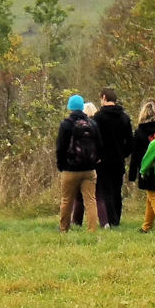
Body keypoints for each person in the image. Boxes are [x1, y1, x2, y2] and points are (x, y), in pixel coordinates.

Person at [55, 94, 103, 233]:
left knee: (66, 200)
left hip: (70, 169)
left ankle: (64, 229)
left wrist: (61, 165)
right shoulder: (92, 124)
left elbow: (60, 147)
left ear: (70, 107)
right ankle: (92, 230)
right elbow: (100, 145)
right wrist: (96, 161)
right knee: (90, 200)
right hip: (89, 169)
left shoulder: (66, 125)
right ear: (82, 107)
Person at [93, 87, 133, 227]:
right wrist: (123, 153)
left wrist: (97, 156)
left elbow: (95, 139)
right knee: (117, 190)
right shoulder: (124, 117)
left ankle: (110, 219)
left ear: (104, 97)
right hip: (118, 160)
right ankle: (117, 219)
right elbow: (130, 140)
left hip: (103, 160)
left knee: (106, 190)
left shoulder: (98, 117)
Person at [128, 101, 155, 233]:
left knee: (154, 198)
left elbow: (136, 155)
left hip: (147, 169)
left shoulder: (140, 132)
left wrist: (132, 174)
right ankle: (146, 226)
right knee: (150, 197)